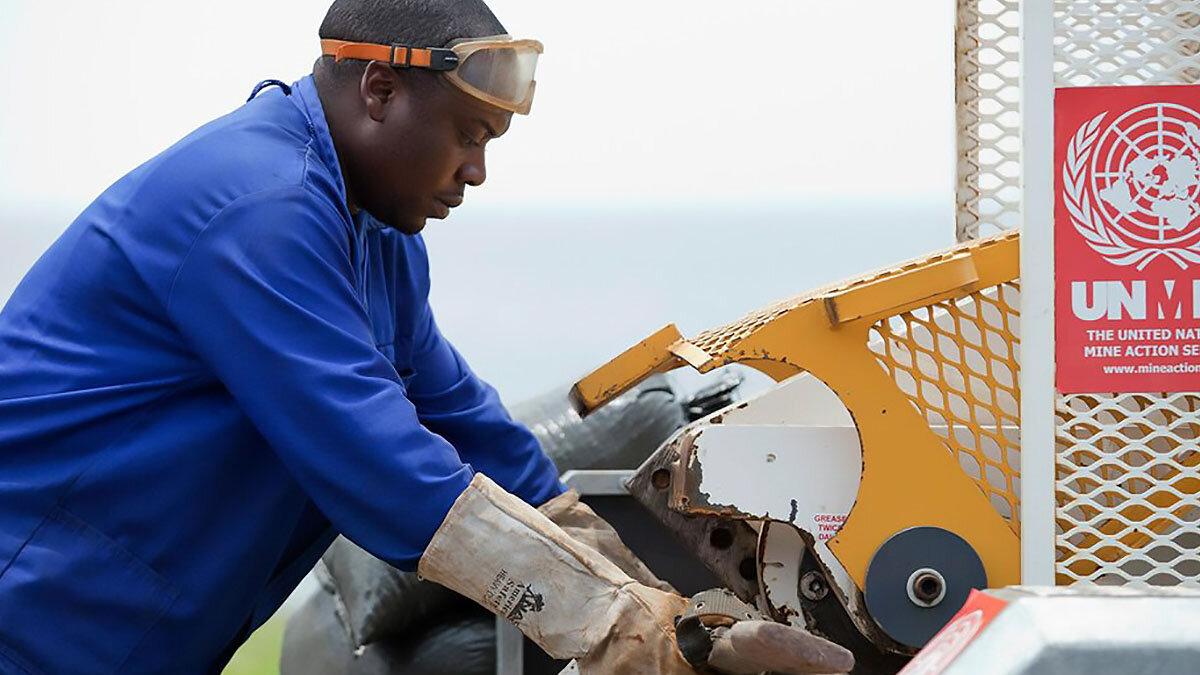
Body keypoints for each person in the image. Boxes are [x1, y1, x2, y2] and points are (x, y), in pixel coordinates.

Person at [0, 1, 852, 673]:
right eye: (469, 135)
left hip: (122, 630)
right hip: (33, 616)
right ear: (380, 90)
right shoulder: (256, 209)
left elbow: (461, 421)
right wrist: (612, 626)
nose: (477, 170)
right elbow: (379, 465)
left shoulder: (376, 238)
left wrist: (657, 596)